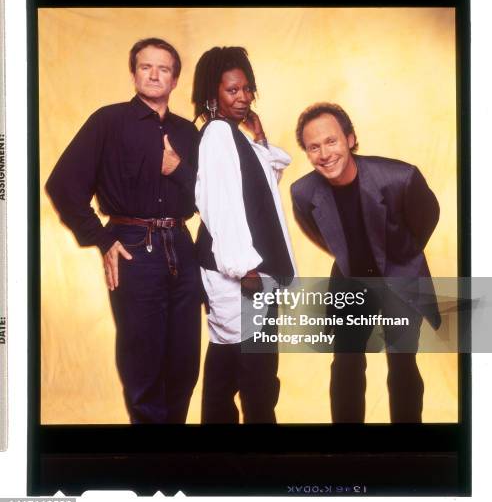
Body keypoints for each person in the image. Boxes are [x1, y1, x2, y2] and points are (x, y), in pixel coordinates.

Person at [45, 37, 201, 424]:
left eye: (163, 68)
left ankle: (174, 459)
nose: (154, 74)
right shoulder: (108, 121)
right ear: (133, 74)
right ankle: (149, 467)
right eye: (146, 66)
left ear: (175, 80)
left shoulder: (188, 133)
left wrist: (177, 168)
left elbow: (208, 198)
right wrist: (102, 239)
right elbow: (63, 185)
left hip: (182, 246)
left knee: (184, 363)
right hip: (133, 246)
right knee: (142, 361)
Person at [291, 103, 441, 423]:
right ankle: (348, 449)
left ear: (350, 138)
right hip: (349, 281)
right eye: (313, 147)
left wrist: (401, 256)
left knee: (402, 363)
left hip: (400, 277)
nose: (324, 153)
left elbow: (427, 217)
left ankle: (406, 448)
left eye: (331, 141)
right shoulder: (303, 192)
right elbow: (321, 235)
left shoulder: (401, 177)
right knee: (346, 363)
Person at [193, 46, 295, 424]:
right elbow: (219, 205)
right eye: (233, 91)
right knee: (252, 372)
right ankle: (250, 460)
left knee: (239, 364)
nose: (244, 97)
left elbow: (265, 181)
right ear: (212, 95)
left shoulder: (235, 136)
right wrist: (245, 268)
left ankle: (225, 459)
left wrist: (259, 134)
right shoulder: (218, 134)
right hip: (239, 273)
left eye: (247, 89)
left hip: (248, 271)